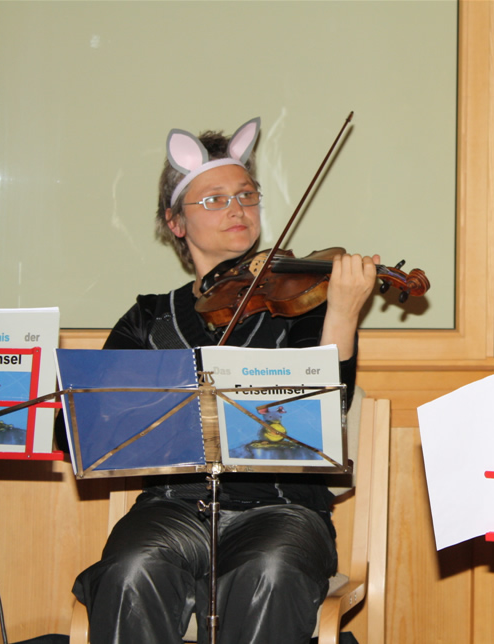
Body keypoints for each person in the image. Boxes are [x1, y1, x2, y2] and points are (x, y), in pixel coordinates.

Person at [72, 117, 379, 644]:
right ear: (175, 222)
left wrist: (344, 315)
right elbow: (87, 424)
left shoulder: (303, 304)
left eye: (246, 195)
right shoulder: (148, 318)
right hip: (171, 507)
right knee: (130, 569)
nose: (237, 209)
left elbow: (328, 408)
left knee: (271, 571)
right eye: (214, 200)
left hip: (282, 509)